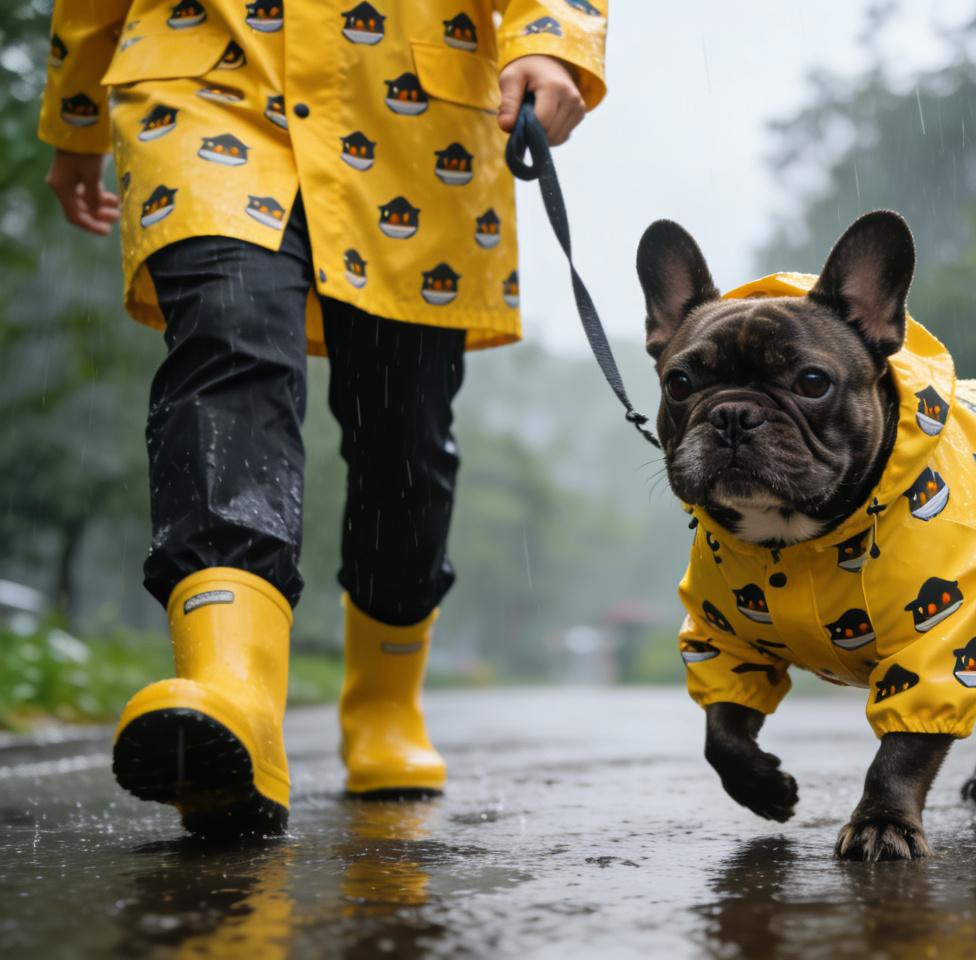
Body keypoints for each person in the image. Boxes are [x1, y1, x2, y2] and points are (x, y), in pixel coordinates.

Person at [39, 0, 608, 837]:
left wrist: (550, 42)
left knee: (404, 435)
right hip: (203, 79)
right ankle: (233, 692)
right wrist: (76, 108)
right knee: (227, 351)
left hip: (416, 115)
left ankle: (383, 703)